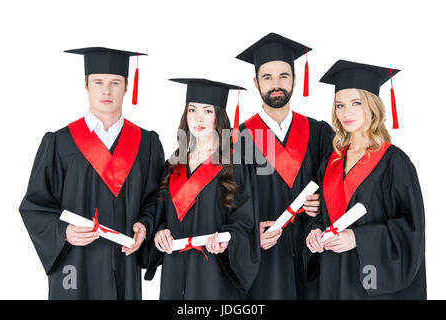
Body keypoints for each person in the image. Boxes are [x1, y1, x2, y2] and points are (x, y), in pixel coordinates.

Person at [19, 47, 165, 299]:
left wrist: (145, 225)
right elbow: (35, 206)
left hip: (123, 263)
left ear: (126, 86)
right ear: (86, 86)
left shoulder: (146, 143)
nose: (106, 90)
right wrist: (63, 231)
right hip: (75, 264)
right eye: (98, 82)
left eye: (115, 82)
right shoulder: (60, 142)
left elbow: (156, 200)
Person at [306, 60, 426, 299]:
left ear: (373, 107)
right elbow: (322, 215)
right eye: (340, 105)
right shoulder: (331, 161)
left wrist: (358, 238)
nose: (346, 112)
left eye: (356, 103)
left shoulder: (394, 162)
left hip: (370, 278)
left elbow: (411, 228)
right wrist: (315, 231)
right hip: (332, 275)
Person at [234, 33, 334, 299]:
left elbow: (340, 184)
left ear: (294, 79)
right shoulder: (237, 139)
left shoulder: (320, 133)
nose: (276, 84)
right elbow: (224, 205)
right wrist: (249, 236)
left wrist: (322, 202)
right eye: (267, 77)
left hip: (313, 256)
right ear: (255, 82)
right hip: (265, 264)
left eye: (283, 76)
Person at [145, 78, 261, 299]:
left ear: (220, 116)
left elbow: (245, 222)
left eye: (207, 111)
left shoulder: (235, 164)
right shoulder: (173, 165)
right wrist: (160, 232)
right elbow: (159, 215)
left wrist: (228, 239)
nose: (198, 118)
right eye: (192, 110)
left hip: (214, 274)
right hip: (175, 271)